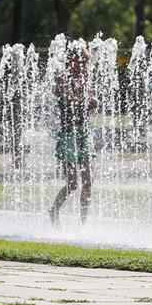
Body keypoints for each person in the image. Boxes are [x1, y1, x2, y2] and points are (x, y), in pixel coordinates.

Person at [49, 45, 97, 225]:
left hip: (84, 133)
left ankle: (83, 223)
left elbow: (84, 102)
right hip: (68, 135)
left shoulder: (86, 78)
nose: (85, 65)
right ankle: (54, 209)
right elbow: (70, 99)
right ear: (72, 61)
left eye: (86, 62)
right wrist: (85, 96)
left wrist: (93, 101)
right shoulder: (62, 78)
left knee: (89, 181)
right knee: (72, 183)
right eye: (82, 61)